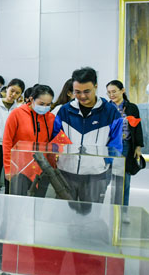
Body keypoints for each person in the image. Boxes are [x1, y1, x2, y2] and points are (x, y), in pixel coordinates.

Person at [52, 67, 123, 203]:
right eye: (77, 92)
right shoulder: (65, 111)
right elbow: (55, 137)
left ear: (96, 86)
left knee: (91, 213)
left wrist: (104, 161)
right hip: (65, 172)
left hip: (96, 175)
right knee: (64, 212)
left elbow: (116, 144)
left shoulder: (110, 112)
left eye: (87, 91)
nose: (82, 96)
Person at [2, 85, 55, 195]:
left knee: (38, 202)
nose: (45, 107)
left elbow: (53, 143)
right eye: (41, 104)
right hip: (19, 168)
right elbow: (7, 142)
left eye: (48, 104)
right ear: (31, 99)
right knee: (17, 201)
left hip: (42, 169)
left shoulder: (51, 118)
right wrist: (8, 168)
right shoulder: (16, 114)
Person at [106, 80, 144, 206]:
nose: (111, 95)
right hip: (109, 146)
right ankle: (107, 207)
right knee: (105, 178)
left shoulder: (132, 107)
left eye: (114, 91)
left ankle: (123, 208)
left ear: (122, 90)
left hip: (126, 145)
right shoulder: (106, 108)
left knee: (124, 179)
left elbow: (137, 128)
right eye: (109, 92)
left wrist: (138, 147)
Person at [0, 78, 25, 194]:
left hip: (13, 148)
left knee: (11, 181)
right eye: (12, 90)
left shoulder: (19, 108)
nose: (13, 94)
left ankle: (9, 201)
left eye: (17, 93)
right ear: (7, 89)